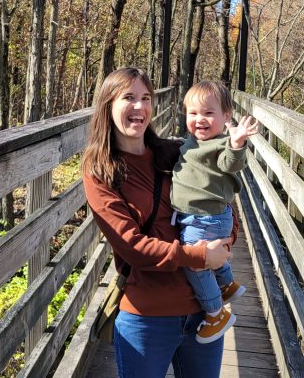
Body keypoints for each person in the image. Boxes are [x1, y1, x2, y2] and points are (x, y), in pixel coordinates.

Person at [82, 67, 235, 378]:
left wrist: (227, 240)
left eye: (146, 98)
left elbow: (221, 203)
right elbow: (133, 247)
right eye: (129, 98)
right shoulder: (100, 173)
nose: (140, 107)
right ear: (107, 105)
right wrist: (202, 256)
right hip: (147, 318)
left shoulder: (175, 153)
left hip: (203, 315)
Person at [171, 80, 260, 343]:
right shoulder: (193, 141)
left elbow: (231, 164)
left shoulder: (221, 143)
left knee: (195, 263)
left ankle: (215, 313)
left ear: (226, 117)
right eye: (193, 113)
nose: (200, 120)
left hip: (207, 218)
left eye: (209, 113)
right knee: (201, 256)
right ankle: (226, 283)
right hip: (198, 216)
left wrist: (237, 142)